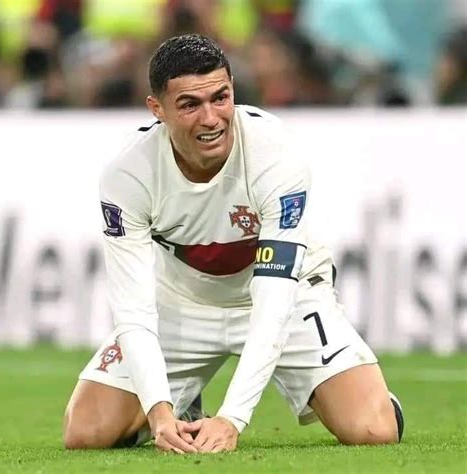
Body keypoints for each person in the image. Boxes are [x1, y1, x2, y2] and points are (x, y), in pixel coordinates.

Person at [63, 34, 404, 453]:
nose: (211, 118)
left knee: (372, 430)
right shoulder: (128, 175)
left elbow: (273, 297)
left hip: (288, 296)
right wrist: (159, 410)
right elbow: (133, 307)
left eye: (220, 98)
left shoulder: (275, 155)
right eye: (190, 104)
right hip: (181, 302)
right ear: (158, 110)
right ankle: (183, 407)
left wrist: (232, 419)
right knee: (86, 433)